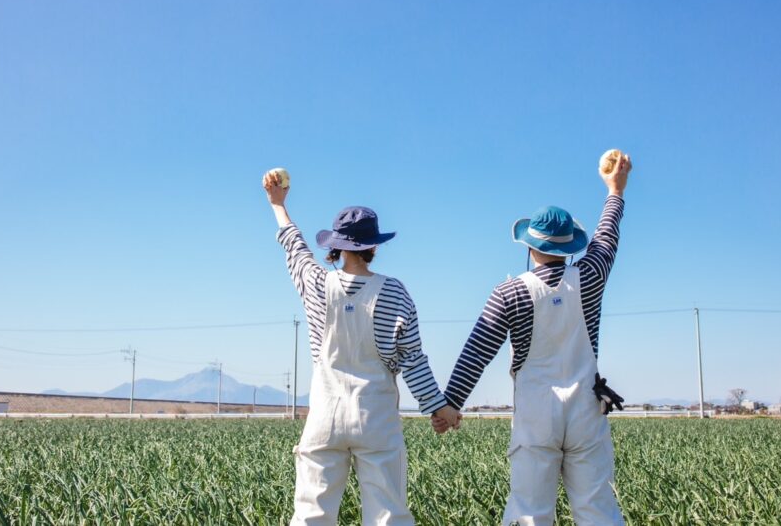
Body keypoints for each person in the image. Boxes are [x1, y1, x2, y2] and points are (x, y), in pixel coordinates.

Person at [436, 152, 632, 526]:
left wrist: (451, 405)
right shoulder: (589, 277)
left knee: (529, 513)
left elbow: (476, 351)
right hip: (586, 411)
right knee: (598, 510)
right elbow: (606, 238)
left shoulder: (509, 293)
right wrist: (615, 191)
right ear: (570, 246)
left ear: (529, 246)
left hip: (535, 413)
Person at [263, 171, 462, 526]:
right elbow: (413, 360)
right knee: (388, 515)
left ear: (336, 246)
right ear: (374, 246)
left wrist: (279, 205)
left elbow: (294, 246)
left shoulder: (316, 283)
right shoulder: (395, 292)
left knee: (312, 514)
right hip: (376, 418)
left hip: (325, 415)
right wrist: (439, 408)